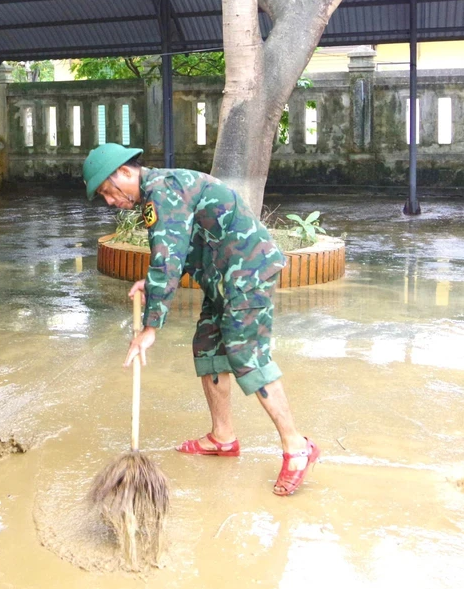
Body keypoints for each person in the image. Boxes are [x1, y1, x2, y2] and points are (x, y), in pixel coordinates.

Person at [82, 143, 319, 497]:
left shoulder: (162, 192)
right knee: (207, 346)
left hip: (247, 272)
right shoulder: (156, 195)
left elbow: (167, 258)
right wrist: (153, 283)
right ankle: (223, 437)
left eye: (108, 192)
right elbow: (178, 249)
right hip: (224, 275)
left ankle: (297, 447)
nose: (110, 202)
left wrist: (149, 329)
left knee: (247, 356)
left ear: (126, 174)